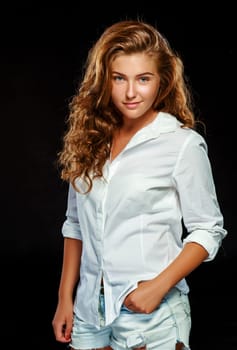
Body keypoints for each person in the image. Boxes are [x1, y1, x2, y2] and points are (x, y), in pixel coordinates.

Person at [52, 19, 227, 350]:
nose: (131, 92)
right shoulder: (91, 141)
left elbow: (208, 230)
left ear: (161, 82)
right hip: (90, 310)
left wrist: (157, 288)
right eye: (119, 78)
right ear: (106, 81)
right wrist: (66, 298)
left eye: (143, 79)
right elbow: (75, 225)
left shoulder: (181, 144)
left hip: (151, 313)